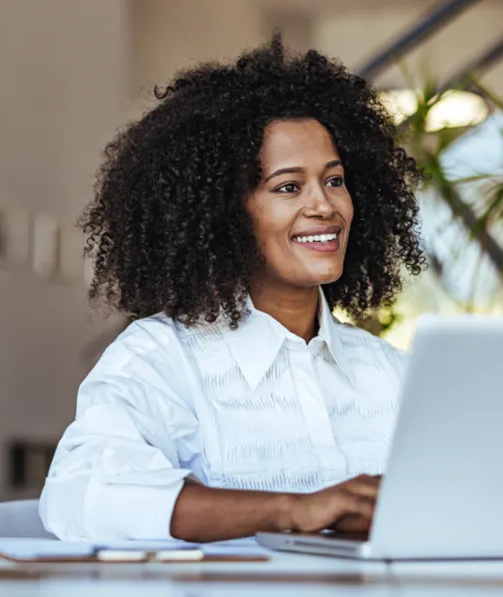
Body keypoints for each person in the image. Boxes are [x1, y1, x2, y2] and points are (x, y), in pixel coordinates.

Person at [39, 37, 426, 543]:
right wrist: (296, 510)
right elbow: (82, 493)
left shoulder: (393, 375)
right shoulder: (161, 357)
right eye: (288, 187)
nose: (325, 206)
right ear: (224, 213)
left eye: (334, 181)